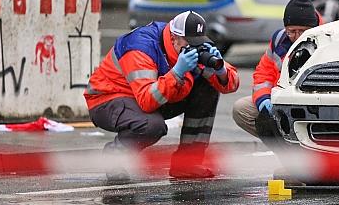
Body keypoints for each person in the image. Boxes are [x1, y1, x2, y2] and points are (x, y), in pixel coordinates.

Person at [84, 11, 239, 179]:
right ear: (173, 38)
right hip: (107, 99)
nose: (194, 48)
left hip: (150, 96)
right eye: (190, 43)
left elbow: (230, 86)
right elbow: (147, 101)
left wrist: (221, 70)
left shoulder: (185, 49)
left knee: (208, 86)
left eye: (198, 43)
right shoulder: (141, 46)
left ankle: (187, 163)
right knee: (152, 126)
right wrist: (177, 72)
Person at [232, 0, 320, 150]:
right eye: (292, 31)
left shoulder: (326, 38)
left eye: (302, 31)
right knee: (242, 109)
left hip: (315, 106)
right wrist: (263, 101)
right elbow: (263, 75)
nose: (297, 37)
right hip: (283, 100)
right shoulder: (279, 40)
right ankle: (289, 157)